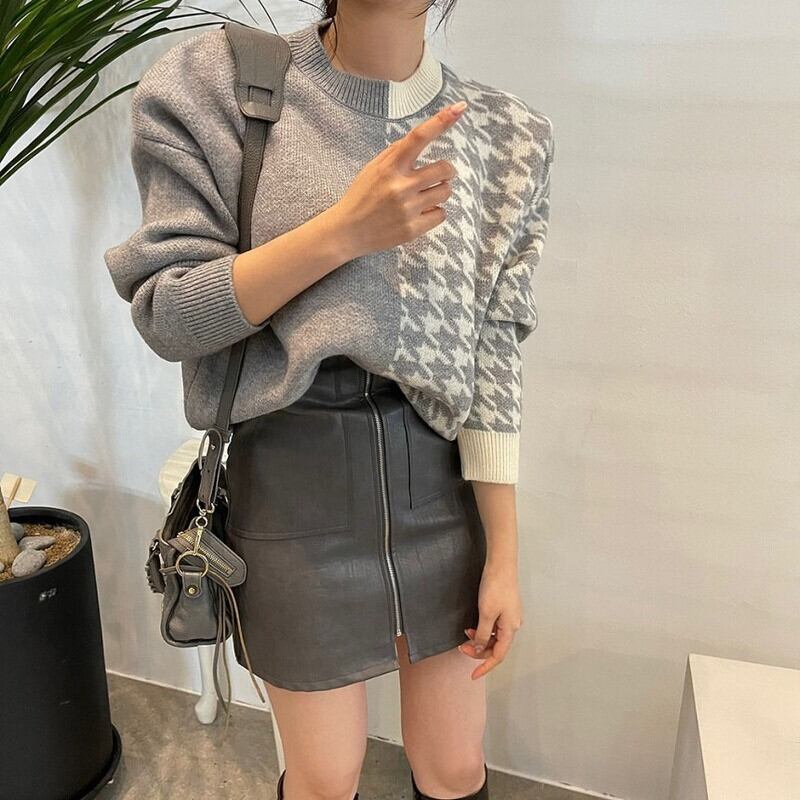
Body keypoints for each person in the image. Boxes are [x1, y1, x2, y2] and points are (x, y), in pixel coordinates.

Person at [104, 1, 554, 798]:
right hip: (291, 485)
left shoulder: (507, 134)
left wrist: (505, 559)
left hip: (441, 487)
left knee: (454, 765)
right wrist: (343, 231)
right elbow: (169, 315)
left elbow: (493, 362)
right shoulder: (223, 83)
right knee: (323, 775)